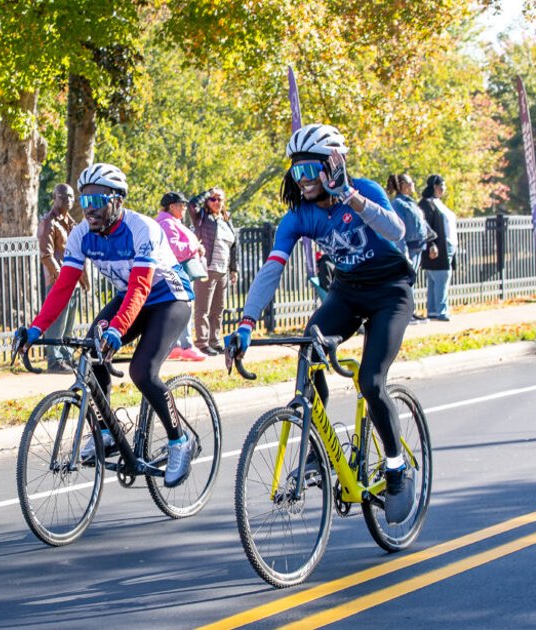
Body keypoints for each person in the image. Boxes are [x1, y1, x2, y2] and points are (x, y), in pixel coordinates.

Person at [225, 124, 416, 524]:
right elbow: (271, 270)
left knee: (371, 380)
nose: (305, 180)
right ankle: (316, 451)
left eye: (312, 170)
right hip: (346, 293)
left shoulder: (363, 191)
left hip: (389, 292)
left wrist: (352, 197)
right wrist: (246, 322)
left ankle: (397, 467)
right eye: (297, 172)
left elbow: (397, 231)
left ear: (335, 164)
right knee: (308, 351)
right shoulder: (299, 216)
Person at [15, 163, 196, 487]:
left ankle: (179, 440)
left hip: (169, 298)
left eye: (97, 200)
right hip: (132, 298)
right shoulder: (81, 235)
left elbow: (142, 286)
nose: (90, 209)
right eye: (85, 201)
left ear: (118, 201)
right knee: (90, 349)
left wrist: (116, 328)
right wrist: (36, 329)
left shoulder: (143, 229)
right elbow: (63, 287)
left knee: (142, 371)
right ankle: (104, 430)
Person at [37, 183, 89, 372]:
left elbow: (78, 252)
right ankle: (54, 360)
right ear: (55, 198)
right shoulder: (49, 222)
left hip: (72, 281)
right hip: (58, 281)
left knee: (68, 323)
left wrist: (83, 278)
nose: (68, 200)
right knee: (57, 321)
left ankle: (66, 356)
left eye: (71, 197)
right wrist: (62, 278)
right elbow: (46, 255)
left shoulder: (71, 222)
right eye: (63, 196)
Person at [156, 191, 206, 362]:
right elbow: (174, 248)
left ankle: (177, 346)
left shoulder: (169, 222)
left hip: (174, 272)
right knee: (185, 308)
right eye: (182, 205)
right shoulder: (167, 223)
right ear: (172, 206)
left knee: (178, 308)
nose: (184, 208)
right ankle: (186, 346)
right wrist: (194, 247)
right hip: (176, 272)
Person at [190, 186, 238, 356]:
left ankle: (214, 341)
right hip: (207, 269)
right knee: (203, 308)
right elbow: (192, 204)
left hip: (223, 270)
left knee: (218, 309)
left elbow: (233, 246)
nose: (217, 202)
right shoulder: (202, 218)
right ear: (208, 201)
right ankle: (202, 342)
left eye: (220, 199)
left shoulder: (226, 220)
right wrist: (207, 193)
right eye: (213, 199)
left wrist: (234, 269)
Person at [385, 174, 435, 322]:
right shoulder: (398, 204)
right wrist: (403, 252)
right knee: (406, 282)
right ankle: (404, 313)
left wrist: (431, 242)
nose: (413, 184)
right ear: (403, 185)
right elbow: (398, 229)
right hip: (409, 248)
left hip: (419, 247)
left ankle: (410, 312)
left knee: (411, 282)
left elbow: (422, 224)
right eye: (411, 182)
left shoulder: (410, 202)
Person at [419, 174, 456, 321]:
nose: (444, 189)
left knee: (437, 278)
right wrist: (431, 244)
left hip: (448, 245)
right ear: (435, 186)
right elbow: (426, 226)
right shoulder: (427, 204)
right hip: (439, 246)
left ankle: (434, 310)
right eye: (442, 186)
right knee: (441, 277)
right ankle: (440, 310)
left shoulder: (438, 202)